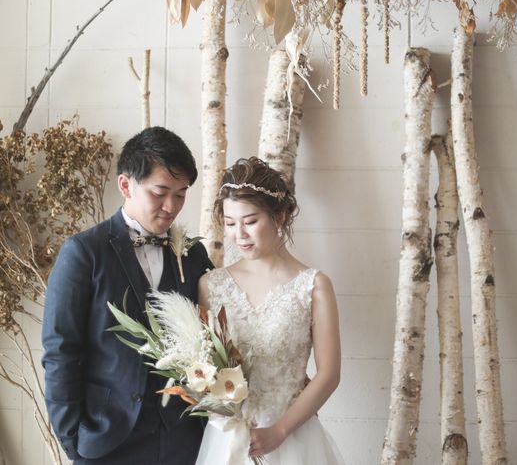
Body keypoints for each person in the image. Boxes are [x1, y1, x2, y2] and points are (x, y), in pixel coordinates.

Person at [42, 126, 213, 464]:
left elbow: (214, 331)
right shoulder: (83, 252)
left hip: (183, 441)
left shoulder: (193, 254)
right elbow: (60, 350)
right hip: (108, 439)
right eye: (160, 192)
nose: (171, 206)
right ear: (125, 185)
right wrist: (73, 440)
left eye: (181, 194)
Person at [196, 157, 345, 464]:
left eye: (250, 222)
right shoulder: (211, 285)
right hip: (229, 439)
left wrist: (280, 430)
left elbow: (329, 374)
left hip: (293, 437)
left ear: (279, 216)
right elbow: (203, 364)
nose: (239, 235)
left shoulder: (314, 286)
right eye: (230, 223)